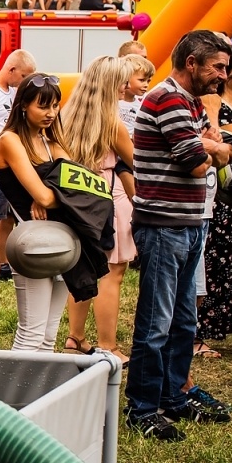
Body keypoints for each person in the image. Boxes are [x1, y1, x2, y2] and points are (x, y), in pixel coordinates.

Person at [126, 31, 232, 439]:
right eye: (217, 67)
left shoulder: (192, 102)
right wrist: (210, 149)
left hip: (191, 221)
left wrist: (209, 145)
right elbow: (196, 162)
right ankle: (142, 408)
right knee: (156, 322)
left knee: (183, 322)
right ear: (192, 62)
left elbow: (216, 146)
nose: (222, 74)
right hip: (164, 224)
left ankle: (173, 398)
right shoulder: (167, 98)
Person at [56, 57, 139, 359]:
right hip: (108, 198)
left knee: (83, 269)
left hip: (78, 198)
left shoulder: (67, 114)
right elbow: (134, 162)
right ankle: (109, 345)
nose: (126, 87)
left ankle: (75, 337)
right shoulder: (112, 122)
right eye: (122, 81)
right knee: (111, 274)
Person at [0, 74, 75, 352]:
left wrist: (52, 193)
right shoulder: (9, 140)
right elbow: (43, 196)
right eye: (43, 106)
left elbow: (79, 188)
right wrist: (51, 193)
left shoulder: (51, 142)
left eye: (55, 106)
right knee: (31, 334)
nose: (51, 113)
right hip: (32, 244)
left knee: (49, 336)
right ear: (23, 105)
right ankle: (16, 397)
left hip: (64, 240)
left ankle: (41, 395)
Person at [195, 46, 232, 350]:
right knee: (223, 267)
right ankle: (202, 330)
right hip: (229, 202)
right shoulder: (220, 109)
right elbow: (231, 150)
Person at [0, 49, 38, 264]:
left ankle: (1, 263)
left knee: (8, 216)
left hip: (9, 163)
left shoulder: (12, 91)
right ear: (11, 70)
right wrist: (2, 157)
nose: (24, 82)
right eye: (23, 77)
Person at [115, 42, 152, 134]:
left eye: (145, 59)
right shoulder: (110, 99)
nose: (144, 63)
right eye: (138, 59)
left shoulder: (146, 99)